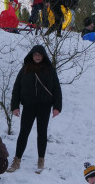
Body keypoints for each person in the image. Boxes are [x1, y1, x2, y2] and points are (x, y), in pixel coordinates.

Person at [7, 45, 62, 173]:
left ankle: (41, 160)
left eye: (39, 55)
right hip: (29, 106)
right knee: (23, 133)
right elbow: (16, 88)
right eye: (35, 54)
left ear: (43, 56)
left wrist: (57, 107)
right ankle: (17, 160)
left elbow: (57, 89)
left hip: (44, 106)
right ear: (31, 56)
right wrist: (15, 106)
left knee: (42, 133)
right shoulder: (25, 69)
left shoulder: (50, 70)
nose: (37, 57)